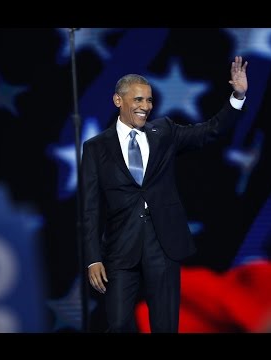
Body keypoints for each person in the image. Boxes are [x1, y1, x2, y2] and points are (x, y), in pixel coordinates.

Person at [81, 56, 248, 333]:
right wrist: (93, 258)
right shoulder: (96, 148)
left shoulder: (164, 132)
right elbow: (89, 207)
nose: (145, 106)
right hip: (120, 249)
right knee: (119, 324)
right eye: (138, 100)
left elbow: (210, 131)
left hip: (164, 244)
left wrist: (237, 96)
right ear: (118, 101)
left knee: (165, 326)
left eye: (148, 100)